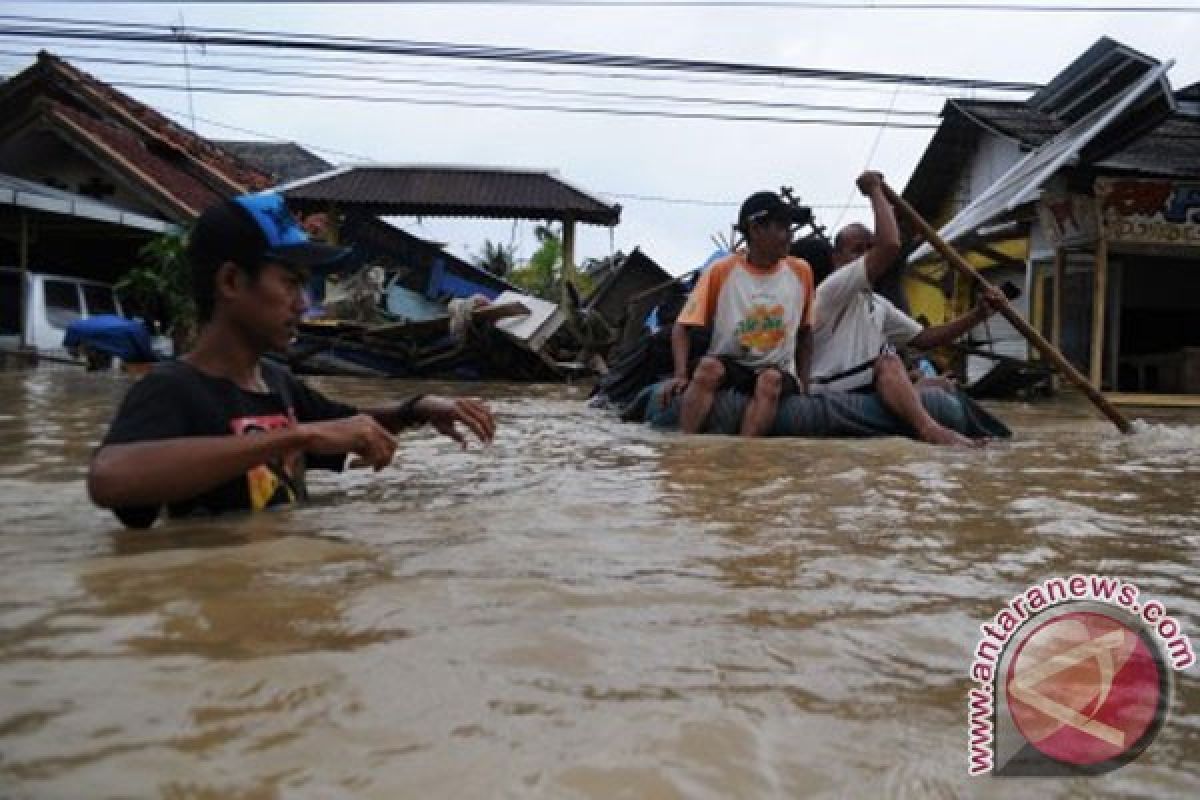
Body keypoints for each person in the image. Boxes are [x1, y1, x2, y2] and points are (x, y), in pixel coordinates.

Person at [88, 192, 496, 528]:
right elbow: (110, 479)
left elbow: (350, 425)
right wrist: (298, 437)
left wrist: (419, 408)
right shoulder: (173, 387)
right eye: (290, 283)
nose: (303, 304)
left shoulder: (274, 382)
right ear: (231, 281)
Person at [809, 171, 1005, 446]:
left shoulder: (876, 303)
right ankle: (930, 431)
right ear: (836, 258)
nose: (865, 255)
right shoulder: (833, 289)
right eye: (856, 250)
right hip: (828, 387)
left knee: (942, 385)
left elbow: (924, 338)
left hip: (861, 384)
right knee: (889, 359)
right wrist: (874, 191)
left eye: (868, 248)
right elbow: (889, 245)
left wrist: (979, 314)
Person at [667, 191, 815, 437]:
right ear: (756, 230)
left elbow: (806, 333)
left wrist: (805, 387)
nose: (789, 235)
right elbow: (682, 327)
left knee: (769, 381)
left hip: (776, 368)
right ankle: (684, 446)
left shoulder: (801, 272)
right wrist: (680, 375)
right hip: (732, 363)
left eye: (790, 228)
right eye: (781, 227)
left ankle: (747, 459)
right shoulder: (722, 271)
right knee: (707, 368)